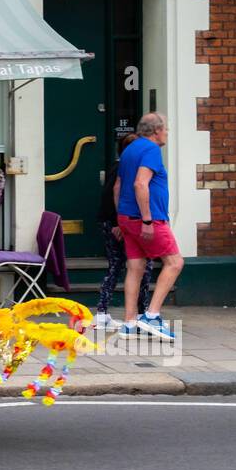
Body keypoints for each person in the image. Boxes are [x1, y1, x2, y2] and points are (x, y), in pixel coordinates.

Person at [113, 112, 182, 341]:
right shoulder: (152, 150)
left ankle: (130, 323)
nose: (167, 133)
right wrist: (147, 220)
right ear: (156, 131)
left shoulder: (130, 149)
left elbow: (118, 185)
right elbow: (140, 183)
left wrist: (121, 218)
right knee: (174, 263)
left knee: (135, 267)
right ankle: (151, 316)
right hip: (147, 219)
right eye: (166, 129)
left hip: (126, 217)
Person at [94, 133, 154, 331]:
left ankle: (104, 312)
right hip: (120, 223)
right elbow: (115, 192)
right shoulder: (126, 168)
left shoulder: (120, 166)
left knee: (119, 265)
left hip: (113, 221)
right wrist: (117, 221)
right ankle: (141, 312)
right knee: (139, 265)